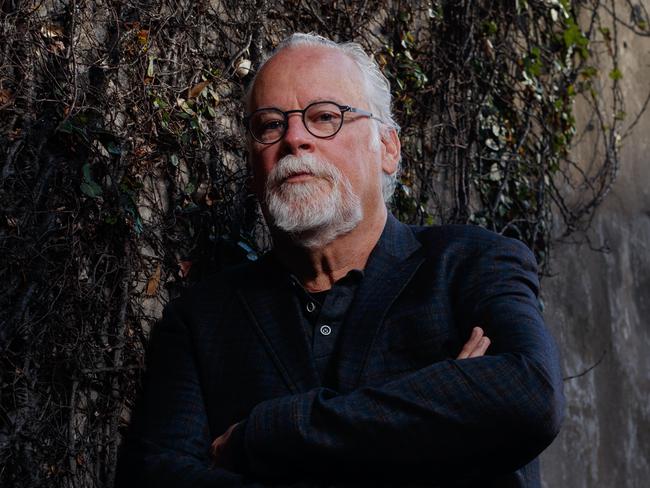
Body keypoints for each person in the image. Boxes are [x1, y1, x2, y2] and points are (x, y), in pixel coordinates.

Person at [116, 33, 564, 487]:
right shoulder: (202, 320)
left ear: (388, 148)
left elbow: (529, 397)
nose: (294, 139)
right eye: (270, 125)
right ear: (253, 162)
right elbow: (155, 478)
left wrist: (270, 434)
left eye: (325, 117)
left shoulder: (471, 264)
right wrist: (444, 425)